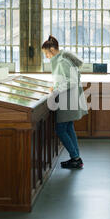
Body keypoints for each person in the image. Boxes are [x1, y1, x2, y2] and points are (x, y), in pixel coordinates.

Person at [42, 35, 88, 169]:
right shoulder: (63, 59)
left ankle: (75, 157)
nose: (46, 57)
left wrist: (56, 89)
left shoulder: (62, 62)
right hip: (69, 99)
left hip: (68, 100)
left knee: (60, 129)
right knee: (68, 128)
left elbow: (71, 81)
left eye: (46, 53)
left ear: (51, 49)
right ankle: (76, 158)